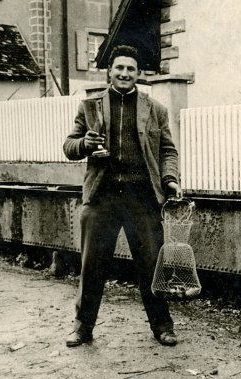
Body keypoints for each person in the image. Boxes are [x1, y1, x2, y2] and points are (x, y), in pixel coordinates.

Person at [63, 45, 182, 347]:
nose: (124, 73)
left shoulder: (155, 110)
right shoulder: (90, 107)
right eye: (119, 68)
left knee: (152, 265)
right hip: (102, 197)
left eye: (130, 69)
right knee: (92, 266)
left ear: (138, 74)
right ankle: (82, 327)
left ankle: (162, 325)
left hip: (141, 198)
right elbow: (69, 146)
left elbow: (168, 150)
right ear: (110, 72)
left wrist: (170, 179)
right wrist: (85, 145)